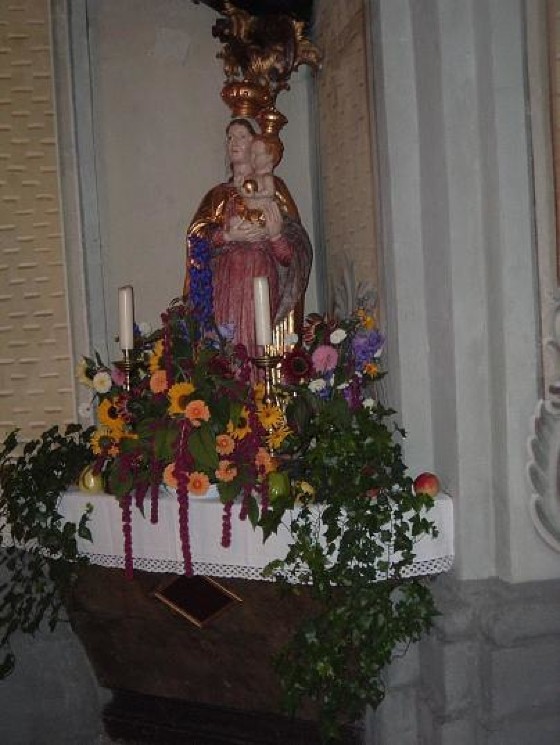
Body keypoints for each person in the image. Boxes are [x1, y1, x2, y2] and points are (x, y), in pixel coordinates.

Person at [185, 119, 312, 355]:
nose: (234, 143)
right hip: (226, 281)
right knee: (225, 346)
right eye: (230, 137)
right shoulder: (218, 195)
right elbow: (197, 235)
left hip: (259, 277)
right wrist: (226, 235)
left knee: (254, 342)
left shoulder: (274, 190)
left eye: (242, 136)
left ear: (256, 144)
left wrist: (275, 235)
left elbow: (295, 244)